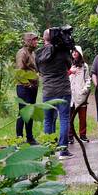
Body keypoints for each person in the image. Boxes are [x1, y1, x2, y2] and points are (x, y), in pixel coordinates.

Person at [35, 29, 73, 159]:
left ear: (44, 38)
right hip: (63, 90)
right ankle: (63, 150)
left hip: (48, 91)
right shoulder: (62, 52)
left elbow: (38, 70)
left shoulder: (39, 53)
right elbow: (69, 66)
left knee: (48, 120)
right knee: (64, 119)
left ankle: (49, 150)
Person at [15, 32, 39, 145]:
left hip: (33, 87)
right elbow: (19, 72)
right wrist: (27, 85)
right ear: (29, 41)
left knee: (30, 113)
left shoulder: (32, 53)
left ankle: (30, 138)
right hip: (24, 88)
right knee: (23, 113)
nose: (36, 42)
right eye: (34, 40)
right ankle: (19, 139)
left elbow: (33, 68)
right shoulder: (22, 53)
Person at [68, 45, 91, 145]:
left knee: (82, 117)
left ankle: (83, 135)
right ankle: (70, 136)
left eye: (76, 51)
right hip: (70, 95)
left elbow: (88, 80)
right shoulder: (68, 64)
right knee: (70, 117)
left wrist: (85, 90)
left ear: (80, 53)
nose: (74, 53)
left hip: (81, 95)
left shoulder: (84, 66)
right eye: (73, 51)